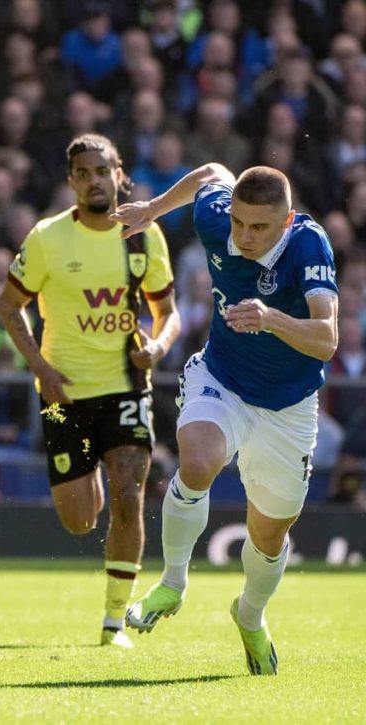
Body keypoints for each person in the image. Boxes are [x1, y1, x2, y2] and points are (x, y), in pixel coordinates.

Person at [113, 163, 339, 676]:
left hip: (289, 406)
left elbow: (327, 338)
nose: (244, 235)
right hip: (223, 379)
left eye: (259, 227)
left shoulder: (309, 246)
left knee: (268, 535)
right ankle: (172, 582)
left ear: (285, 223)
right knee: (199, 459)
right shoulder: (217, 217)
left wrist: (271, 318)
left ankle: (250, 616)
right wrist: (151, 210)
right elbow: (212, 172)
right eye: (239, 222)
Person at [0, 134, 180, 648]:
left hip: (126, 386)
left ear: (118, 174)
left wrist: (159, 348)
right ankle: (91, 476)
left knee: (130, 494)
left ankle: (113, 622)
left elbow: (168, 312)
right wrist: (41, 368)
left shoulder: (144, 236)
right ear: (71, 181)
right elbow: (9, 308)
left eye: (103, 170)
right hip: (63, 395)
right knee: (80, 521)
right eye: (83, 173)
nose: (94, 180)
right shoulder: (47, 238)